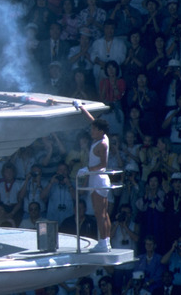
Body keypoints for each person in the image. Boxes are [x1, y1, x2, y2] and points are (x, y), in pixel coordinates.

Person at [75, 102, 112, 253]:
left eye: (93, 129)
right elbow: (92, 120)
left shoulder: (102, 144)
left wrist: (87, 170)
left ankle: (103, 242)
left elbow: (103, 164)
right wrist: (82, 108)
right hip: (96, 180)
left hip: (98, 180)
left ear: (100, 131)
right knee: (103, 213)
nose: (91, 130)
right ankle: (106, 241)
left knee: (99, 214)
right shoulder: (102, 136)